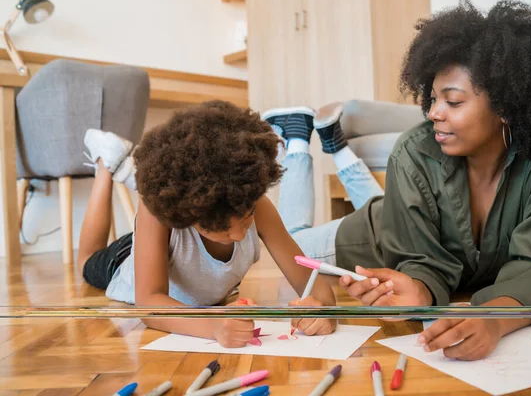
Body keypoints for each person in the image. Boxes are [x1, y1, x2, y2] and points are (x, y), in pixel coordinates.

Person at [266, 0, 531, 361]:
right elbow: (419, 260)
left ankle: (337, 148)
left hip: (409, 208)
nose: (433, 113)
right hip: (382, 235)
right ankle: (298, 142)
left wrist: (493, 318)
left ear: (506, 106)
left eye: (453, 102)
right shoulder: (413, 150)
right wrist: (418, 288)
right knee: (289, 244)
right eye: (433, 98)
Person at [76, 100, 336, 348]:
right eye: (221, 228)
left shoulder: (258, 205)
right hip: (124, 262)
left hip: (170, 246)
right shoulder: (155, 215)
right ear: (186, 215)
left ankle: (126, 172)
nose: (237, 235)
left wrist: (322, 310)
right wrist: (212, 325)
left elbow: (314, 284)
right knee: (86, 262)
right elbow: (150, 305)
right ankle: (104, 165)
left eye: (246, 218)